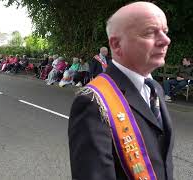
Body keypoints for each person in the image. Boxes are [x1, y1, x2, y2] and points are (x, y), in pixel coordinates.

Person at [68, 2, 174, 180]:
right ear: (116, 45)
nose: (165, 40)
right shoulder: (93, 102)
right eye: (150, 32)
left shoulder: (155, 88)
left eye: (165, 31)